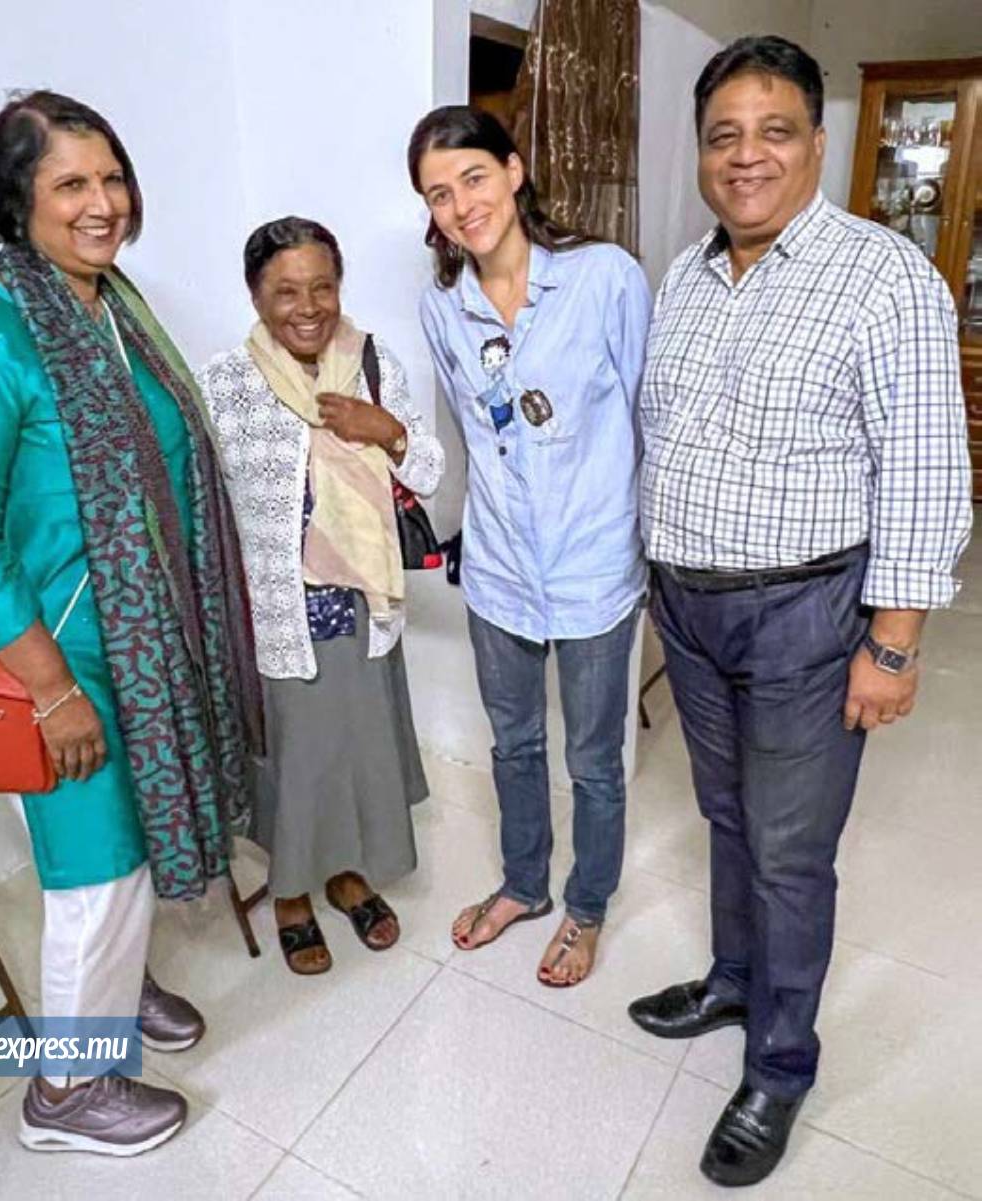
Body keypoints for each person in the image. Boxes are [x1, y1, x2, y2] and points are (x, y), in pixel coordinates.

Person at [630, 37, 973, 1187]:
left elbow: (927, 474)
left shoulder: (884, 278)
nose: (747, 156)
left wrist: (894, 643)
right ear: (702, 154)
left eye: (774, 131)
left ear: (818, 145)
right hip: (691, 607)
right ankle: (734, 982)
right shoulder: (685, 274)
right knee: (728, 816)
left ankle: (780, 1063)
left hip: (807, 617)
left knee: (789, 851)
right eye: (724, 135)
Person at [0, 91, 264, 1155]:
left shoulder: (112, 305)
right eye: (71, 183)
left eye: (112, 178)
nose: (102, 203)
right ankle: (65, 1087)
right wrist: (54, 687)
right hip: (44, 653)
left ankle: (109, 990)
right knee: (95, 865)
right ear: (18, 203)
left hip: (136, 637)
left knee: (126, 848)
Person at [409, 106, 652, 987]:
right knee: (513, 745)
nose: (461, 204)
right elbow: (477, 431)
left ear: (514, 172)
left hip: (593, 563)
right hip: (502, 566)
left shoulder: (603, 278)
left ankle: (586, 907)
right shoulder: (446, 304)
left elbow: (644, 417)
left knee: (593, 758)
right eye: (439, 194)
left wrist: (647, 550)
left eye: (473, 176)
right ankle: (523, 885)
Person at [198, 217, 443, 975]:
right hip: (278, 612)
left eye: (323, 287)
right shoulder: (224, 383)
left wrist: (389, 431)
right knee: (296, 758)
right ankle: (293, 895)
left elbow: (429, 471)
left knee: (355, 748)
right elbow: (206, 505)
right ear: (255, 295)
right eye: (285, 291)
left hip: (363, 605)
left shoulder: (370, 362)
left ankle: (345, 874)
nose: (307, 306)